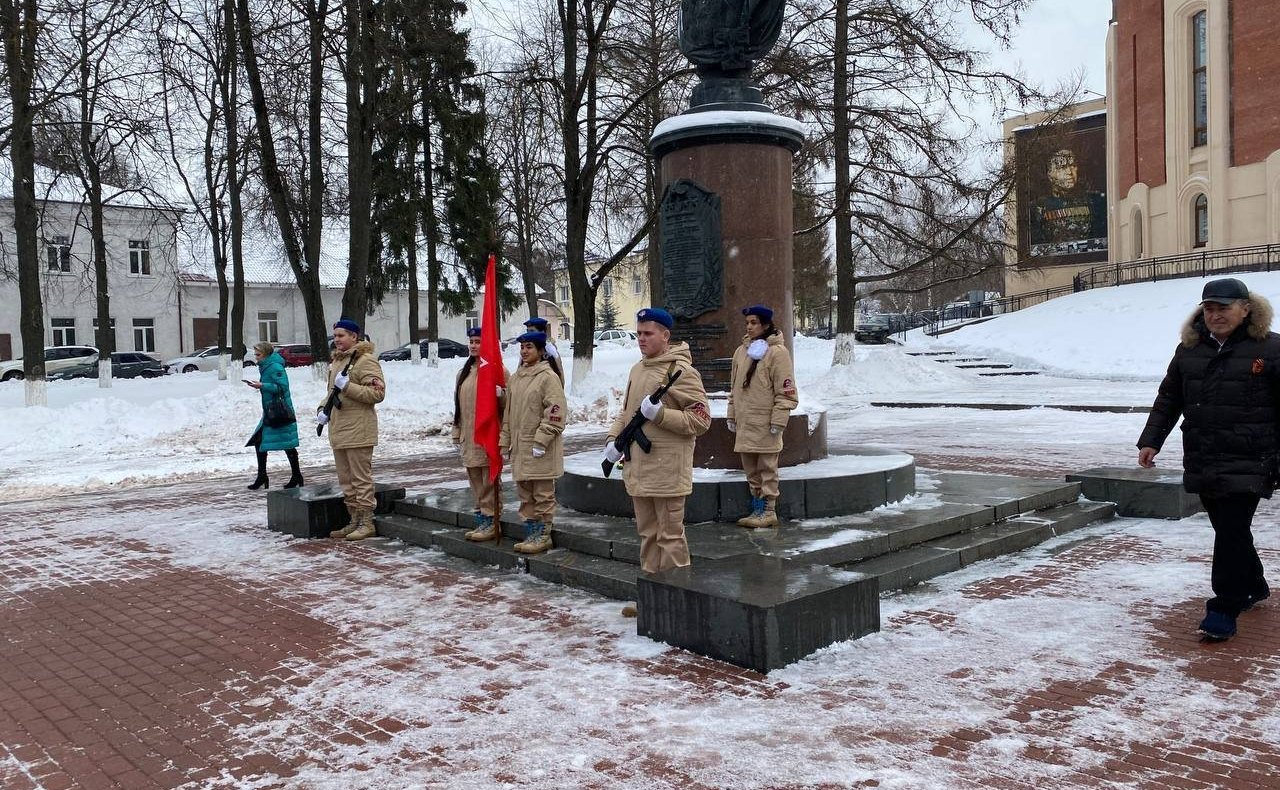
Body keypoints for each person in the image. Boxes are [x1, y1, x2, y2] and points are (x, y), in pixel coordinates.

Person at [1137, 277, 1277, 641]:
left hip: (1251, 456)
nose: (1215, 315)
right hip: (1203, 453)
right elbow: (1169, 398)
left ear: (1245, 309)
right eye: (1209, 308)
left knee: (1230, 529)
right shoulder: (1189, 349)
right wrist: (1152, 440)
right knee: (1230, 530)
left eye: (1224, 307)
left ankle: (1224, 608)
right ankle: (1256, 585)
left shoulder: (1271, 348)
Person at [603, 307, 711, 617]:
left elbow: (701, 419)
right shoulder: (638, 370)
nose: (641, 339)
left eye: (648, 333)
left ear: (666, 335)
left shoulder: (681, 372)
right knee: (648, 536)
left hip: (667, 470)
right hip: (639, 467)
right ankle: (651, 599)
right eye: (639, 333)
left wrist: (660, 415)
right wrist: (612, 441)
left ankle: (678, 604)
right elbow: (626, 414)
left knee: (670, 538)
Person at [727, 304, 798, 528]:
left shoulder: (777, 353)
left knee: (767, 469)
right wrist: (732, 415)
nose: (749, 327)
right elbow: (734, 388)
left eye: (754, 322)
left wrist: (779, 420)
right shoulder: (741, 351)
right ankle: (757, 510)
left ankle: (769, 511)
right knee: (751, 470)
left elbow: (786, 391)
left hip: (766, 423)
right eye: (747, 322)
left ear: (766, 325)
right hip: (745, 423)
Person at [315, 319, 386, 541]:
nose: (336, 340)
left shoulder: (365, 362)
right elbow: (332, 394)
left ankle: (367, 522)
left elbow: (377, 394)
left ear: (354, 337)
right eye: (335, 336)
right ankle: (353, 519)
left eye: (341, 335)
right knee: (346, 480)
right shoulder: (338, 362)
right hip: (339, 430)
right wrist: (321, 409)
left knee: (360, 479)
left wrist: (349, 386)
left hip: (358, 430)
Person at [500, 330, 566, 554]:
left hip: (540, 448)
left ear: (540, 350)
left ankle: (543, 535)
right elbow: (508, 414)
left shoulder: (548, 377)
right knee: (525, 494)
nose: (524, 351)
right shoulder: (517, 378)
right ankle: (531, 532)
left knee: (543, 494)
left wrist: (541, 440)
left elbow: (556, 412)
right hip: (520, 447)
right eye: (522, 347)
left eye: (529, 347)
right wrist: (504, 441)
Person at [454, 327, 508, 541]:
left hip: (487, 436)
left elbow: (509, 402)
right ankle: (482, 518)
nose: (474, 345)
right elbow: (458, 406)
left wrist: (500, 394)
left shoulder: (498, 370)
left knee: (489, 481)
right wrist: (456, 432)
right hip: (469, 436)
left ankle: (491, 520)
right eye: (472, 341)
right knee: (475, 480)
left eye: (478, 342)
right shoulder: (464, 372)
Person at [244, 342, 303, 490]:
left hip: (280, 411)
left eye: (258, 355)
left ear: (266, 354)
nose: (256, 358)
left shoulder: (275, 367)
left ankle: (296, 475)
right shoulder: (266, 366)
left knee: (287, 444)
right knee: (260, 441)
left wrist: (262, 386)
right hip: (271, 411)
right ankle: (262, 476)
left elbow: (282, 387)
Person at [523, 316, 563, 381]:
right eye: (527, 331)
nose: (529, 334)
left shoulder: (551, 352)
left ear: (542, 332)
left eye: (532, 331)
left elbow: (559, 376)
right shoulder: (525, 351)